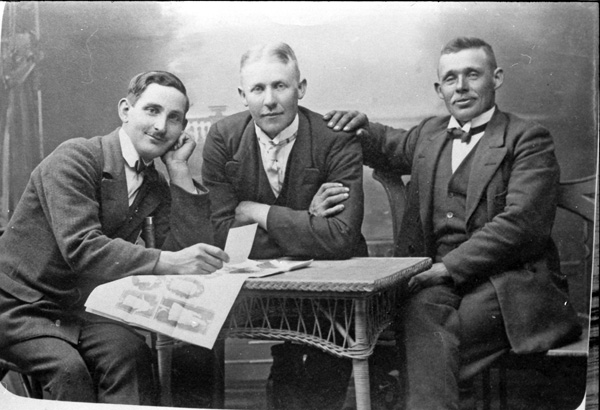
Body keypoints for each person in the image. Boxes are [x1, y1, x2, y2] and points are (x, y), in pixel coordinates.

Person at [324, 37, 582, 409]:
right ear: (439, 89)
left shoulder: (527, 138)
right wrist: (359, 126)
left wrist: (447, 268)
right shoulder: (429, 135)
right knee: (420, 315)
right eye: (450, 78)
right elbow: (386, 143)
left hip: (509, 282)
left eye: (472, 74)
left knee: (424, 336)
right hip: (437, 282)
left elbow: (522, 225)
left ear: (496, 78)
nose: (460, 87)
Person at [0, 71, 229, 405]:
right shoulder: (75, 157)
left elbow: (186, 255)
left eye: (174, 118)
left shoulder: (154, 184)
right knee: (69, 371)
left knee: (130, 354)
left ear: (182, 129)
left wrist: (179, 170)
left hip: (77, 310)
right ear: (125, 110)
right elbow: (81, 247)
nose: (161, 126)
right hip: (18, 308)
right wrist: (168, 261)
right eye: (152, 110)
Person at [201, 42, 366, 409]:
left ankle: (295, 382)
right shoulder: (223, 138)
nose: (269, 100)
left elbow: (341, 238)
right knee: (192, 332)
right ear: (242, 95)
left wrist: (257, 212)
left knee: (325, 365)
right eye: (258, 89)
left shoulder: (335, 138)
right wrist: (308, 221)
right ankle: (286, 372)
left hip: (332, 287)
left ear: (300, 88)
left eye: (280, 86)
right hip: (257, 289)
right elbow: (222, 236)